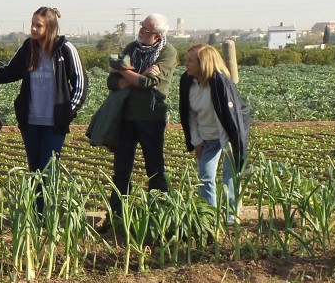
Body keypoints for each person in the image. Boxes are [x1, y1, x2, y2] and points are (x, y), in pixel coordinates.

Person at [0, 7, 87, 186]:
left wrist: (66, 112)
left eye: (39, 25)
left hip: (54, 125)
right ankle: (37, 213)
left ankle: (48, 213)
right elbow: (9, 72)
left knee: (47, 173)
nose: (33, 29)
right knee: (35, 174)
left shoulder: (65, 49)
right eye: (32, 24)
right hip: (31, 124)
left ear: (50, 28)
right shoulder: (28, 48)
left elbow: (80, 84)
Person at [107, 13, 177, 221]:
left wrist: (125, 72)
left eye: (146, 30)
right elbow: (112, 81)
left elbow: (148, 83)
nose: (141, 32)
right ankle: (118, 215)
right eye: (141, 27)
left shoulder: (168, 52)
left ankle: (160, 214)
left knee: (154, 167)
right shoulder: (132, 48)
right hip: (126, 116)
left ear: (157, 35)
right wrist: (138, 74)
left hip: (152, 116)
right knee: (121, 168)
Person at [179, 43, 250, 223]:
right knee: (205, 176)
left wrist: (231, 146)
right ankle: (208, 215)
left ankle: (230, 215)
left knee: (230, 176)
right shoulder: (187, 81)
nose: (185, 64)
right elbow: (188, 113)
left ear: (203, 63)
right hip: (206, 135)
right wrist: (195, 141)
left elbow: (229, 117)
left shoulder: (220, 83)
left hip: (228, 135)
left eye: (190, 61)